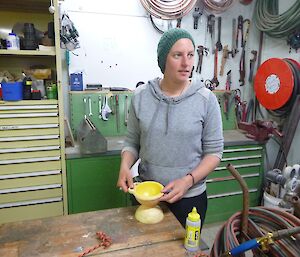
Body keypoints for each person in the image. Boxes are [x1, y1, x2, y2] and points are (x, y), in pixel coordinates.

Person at [117, 28, 224, 228]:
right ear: (163, 59)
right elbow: (132, 142)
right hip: (147, 195)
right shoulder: (141, 96)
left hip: (190, 198)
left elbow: (214, 153)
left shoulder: (206, 100)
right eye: (177, 55)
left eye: (191, 55)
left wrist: (188, 180)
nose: (186, 63)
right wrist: (125, 165)